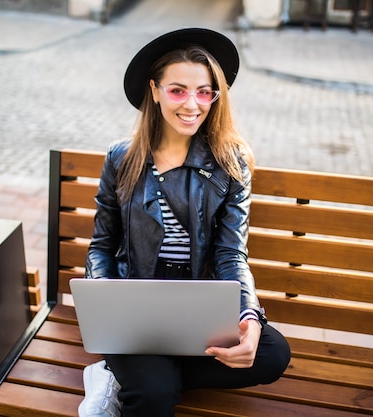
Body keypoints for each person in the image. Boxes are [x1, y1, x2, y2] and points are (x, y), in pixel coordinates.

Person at [79, 28, 291, 417]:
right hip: (135, 305)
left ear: (215, 95)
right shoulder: (121, 158)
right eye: (177, 90)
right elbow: (101, 246)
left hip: (198, 308)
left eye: (204, 91)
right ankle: (141, 376)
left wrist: (248, 316)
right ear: (155, 90)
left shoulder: (231, 164)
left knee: (273, 354)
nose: (192, 104)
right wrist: (107, 301)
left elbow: (231, 253)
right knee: (154, 397)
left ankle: (121, 375)